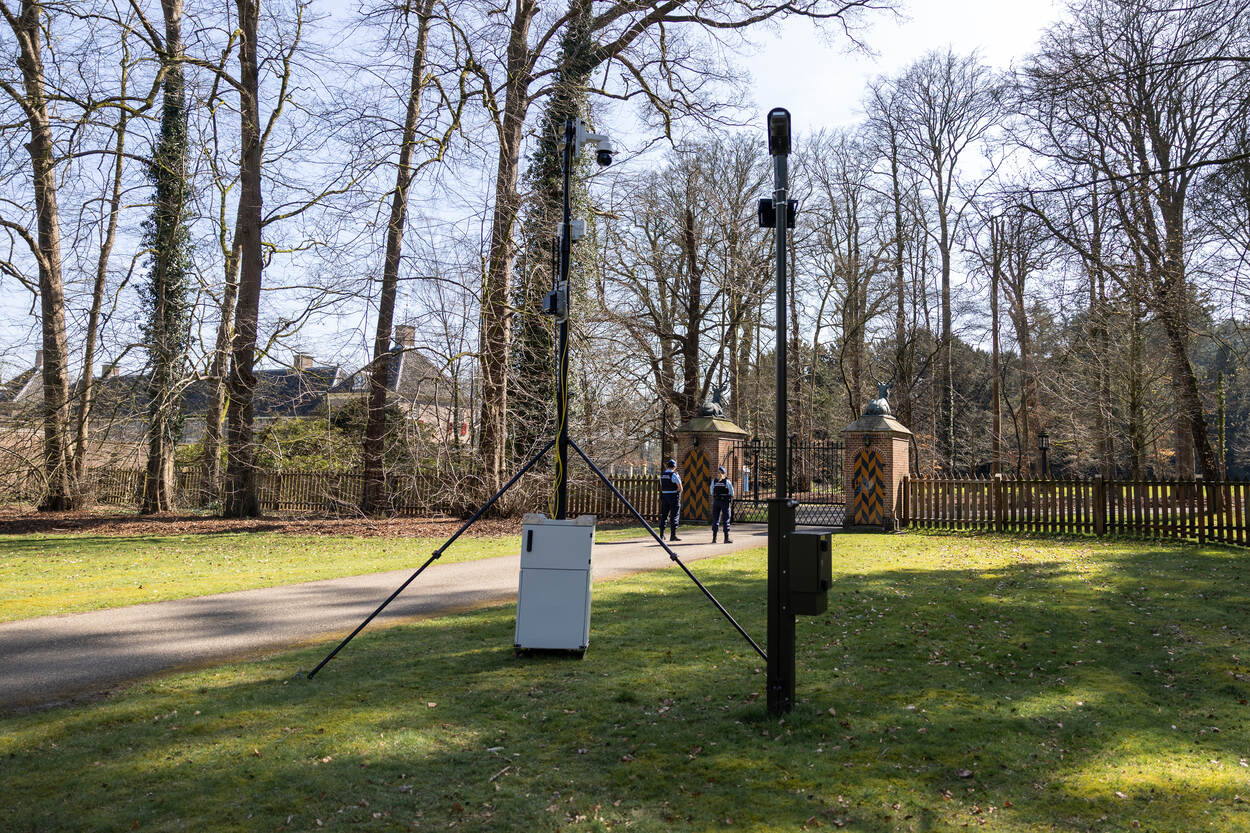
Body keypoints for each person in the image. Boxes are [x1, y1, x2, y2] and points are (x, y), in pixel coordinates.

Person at [658, 458, 682, 541]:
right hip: (673, 497)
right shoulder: (674, 475)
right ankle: (673, 535)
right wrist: (677, 494)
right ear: (674, 467)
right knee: (674, 516)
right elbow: (680, 488)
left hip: (664, 497)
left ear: (667, 466)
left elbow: (661, 486)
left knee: (664, 515)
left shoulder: (662, 476)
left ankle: (661, 535)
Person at [710, 465, 735, 543]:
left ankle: (714, 539)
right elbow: (732, 493)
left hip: (716, 501)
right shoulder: (727, 482)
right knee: (726, 519)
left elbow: (711, 492)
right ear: (724, 473)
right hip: (725, 502)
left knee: (715, 519)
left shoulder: (714, 481)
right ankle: (726, 538)